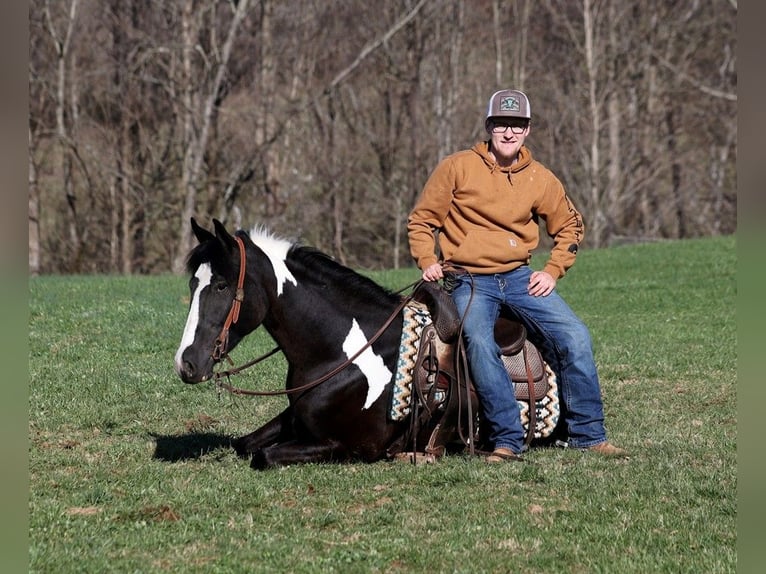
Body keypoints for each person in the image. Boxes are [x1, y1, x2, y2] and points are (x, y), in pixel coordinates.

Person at [407, 89, 626, 462]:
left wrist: (553, 270)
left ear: (527, 130)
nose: (509, 132)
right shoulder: (457, 167)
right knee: (477, 338)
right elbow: (422, 220)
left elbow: (570, 227)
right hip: (469, 279)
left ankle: (589, 435)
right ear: (490, 126)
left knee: (575, 336)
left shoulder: (540, 178)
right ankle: (506, 437)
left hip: (521, 277)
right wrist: (427, 259)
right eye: (502, 124)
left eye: (518, 125)